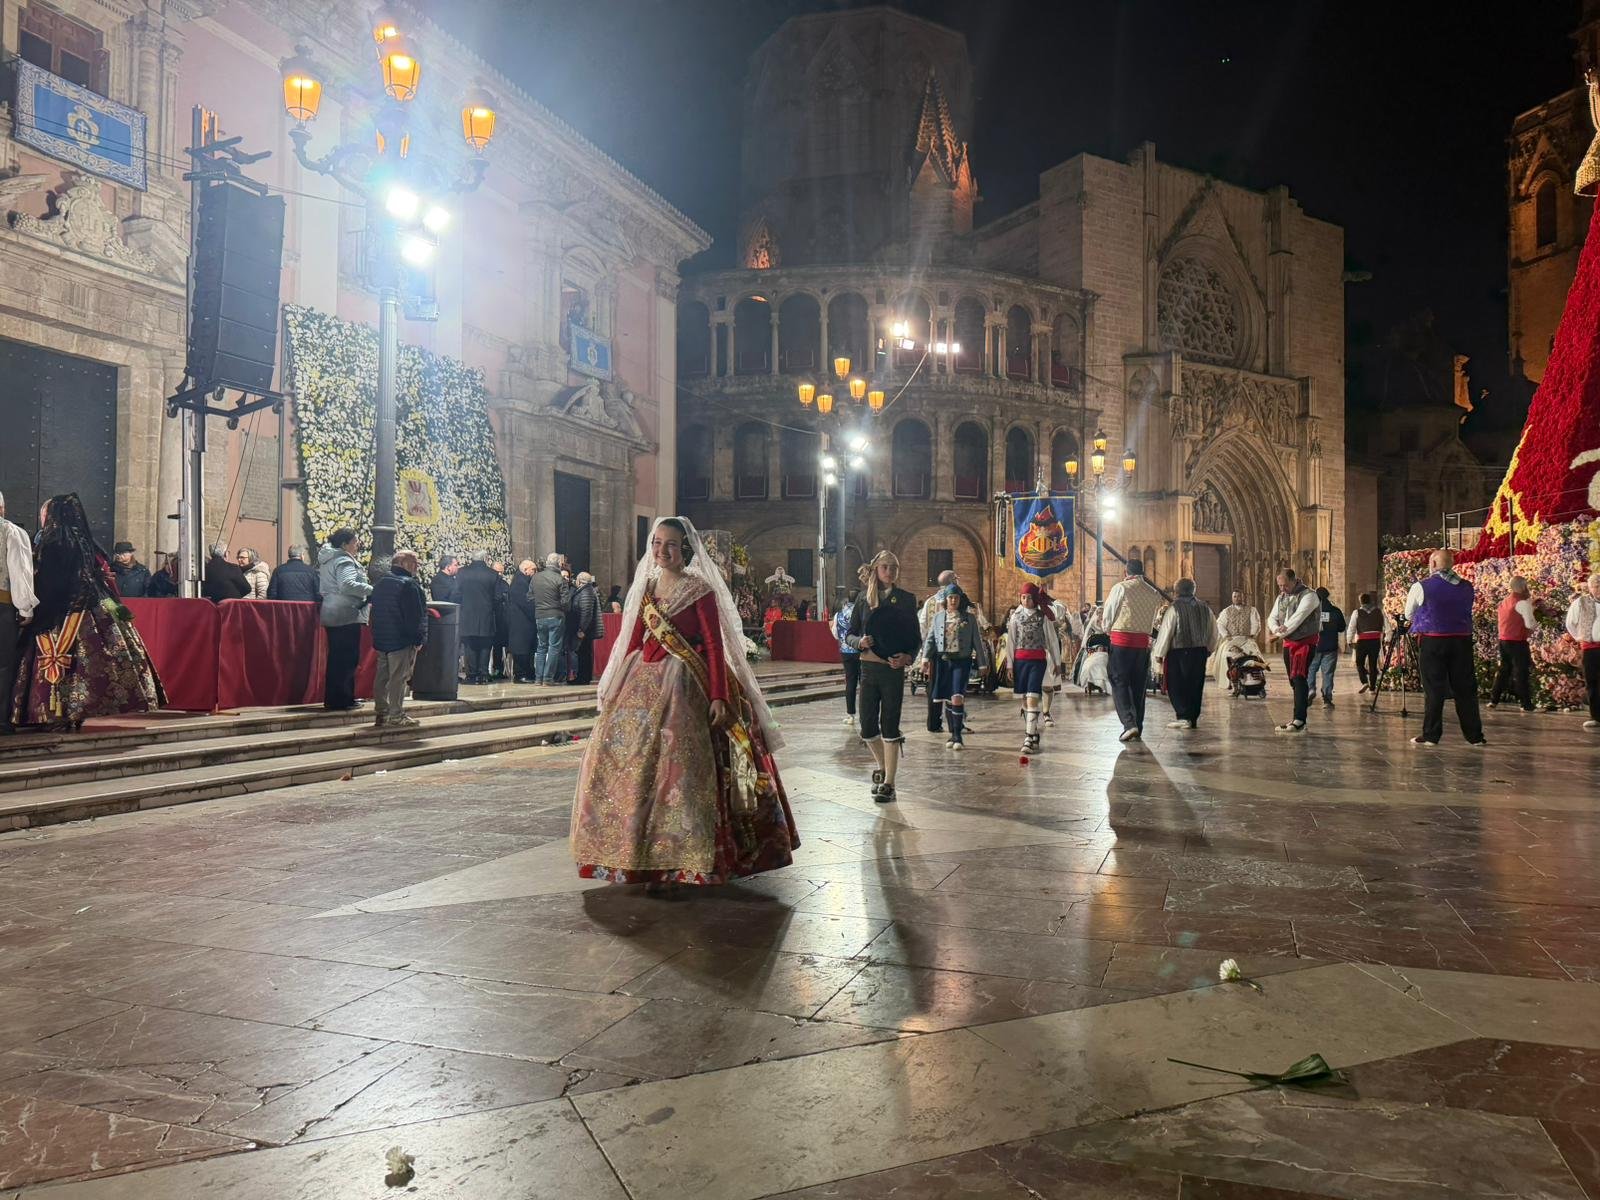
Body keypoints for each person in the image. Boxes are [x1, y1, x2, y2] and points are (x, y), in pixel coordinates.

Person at [571, 516, 798, 891]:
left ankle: (687, 856)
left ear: (685, 550)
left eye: (670, 544)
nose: (662, 550)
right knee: (630, 765)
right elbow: (633, 639)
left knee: (682, 769)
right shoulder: (644, 588)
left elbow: (713, 645)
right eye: (657, 543)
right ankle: (634, 852)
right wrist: (613, 683)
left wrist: (719, 695)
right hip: (640, 682)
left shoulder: (700, 590)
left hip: (686, 684)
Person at [10, 493, 165, 730]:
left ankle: (53, 713)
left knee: (56, 660)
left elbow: (51, 580)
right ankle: (77, 712)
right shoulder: (86, 541)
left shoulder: (53, 541)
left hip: (59, 609)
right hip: (94, 606)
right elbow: (96, 573)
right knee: (89, 665)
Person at [844, 552, 919, 802]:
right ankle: (883, 766)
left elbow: (914, 639)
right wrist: (859, 641)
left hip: (892, 670)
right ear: (876, 569)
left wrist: (907, 658)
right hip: (868, 668)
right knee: (867, 727)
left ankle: (889, 783)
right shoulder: (864, 600)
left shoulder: (906, 600)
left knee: (889, 723)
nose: (890, 571)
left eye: (894, 567)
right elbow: (849, 633)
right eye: (885, 567)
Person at [1403, 549, 1486, 747]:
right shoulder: (1467, 586)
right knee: (1465, 689)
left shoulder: (1421, 586)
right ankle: (1474, 736)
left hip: (1433, 641)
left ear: (1432, 564)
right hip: (1462, 641)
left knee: (1434, 689)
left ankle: (1431, 734)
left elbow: (1408, 614)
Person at [1100, 559, 1165, 742]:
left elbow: (1108, 615)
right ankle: (1138, 725)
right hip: (1142, 645)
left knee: (1119, 681)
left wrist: (1107, 629)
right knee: (1138, 685)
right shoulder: (1153, 592)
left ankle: (1129, 724)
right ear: (1143, 572)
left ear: (1125, 571)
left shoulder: (1121, 588)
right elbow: (1152, 621)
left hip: (1122, 642)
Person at [369, 549, 427, 728]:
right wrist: (418, 639)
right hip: (401, 639)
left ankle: (381, 712)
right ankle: (396, 714)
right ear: (403, 563)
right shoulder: (408, 584)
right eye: (414, 562)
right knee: (398, 677)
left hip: (382, 637)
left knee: (382, 677)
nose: (417, 566)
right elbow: (414, 616)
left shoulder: (380, 582)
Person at [1153, 579, 1218, 730]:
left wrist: (1160, 652)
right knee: (1196, 684)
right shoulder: (1205, 607)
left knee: (1177, 684)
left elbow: (1167, 631)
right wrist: (1210, 648)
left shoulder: (1174, 608)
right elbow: (1213, 630)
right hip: (1200, 651)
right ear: (1193, 590)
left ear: (1177, 591)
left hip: (1179, 652)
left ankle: (1183, 716)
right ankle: (1192, 717)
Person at [318, 528, 371, 711]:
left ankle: (336, 698)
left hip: (332, 611)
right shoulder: (343, 560)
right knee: (347, 659)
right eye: (355, 542)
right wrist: (371, 589)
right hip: (345, 612)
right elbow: (347, 584)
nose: (357, 546)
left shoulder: (328, 559)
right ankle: (342, 699)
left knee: (337, 658)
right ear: (344, 544)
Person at [1007, 583, 1063, 753]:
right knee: (1025, 699)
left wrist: (1057, 662)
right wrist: (1010, 665)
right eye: (1023, 597)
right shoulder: (1015, 617)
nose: (1026, 600)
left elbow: (1052, 640)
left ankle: (1028, 738)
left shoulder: (1042, 616)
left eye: (1029, 597)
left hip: (1037, 661)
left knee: (1033, 696)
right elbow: (1011, 641)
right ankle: (1033, 733)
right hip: (1020, 661)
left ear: (1035, 598)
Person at [0, 491, 39, 735]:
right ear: (2, 508)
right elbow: (20, 571)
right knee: (3, 664)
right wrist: (26, 607)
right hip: (2, 606)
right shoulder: (10, 531)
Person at [924, 584, 979, 750]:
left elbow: (977, 641)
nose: (953, 600)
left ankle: (957, 735)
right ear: (946, 599)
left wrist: (983, 663)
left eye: (956, 597)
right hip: (943, 661)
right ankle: (953, 733)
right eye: (950, 597)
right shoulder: (939, 617)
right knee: (948, 697)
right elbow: (931, 639)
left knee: (957, 696)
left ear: (960, 599)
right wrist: (925, 658)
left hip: (961, 661)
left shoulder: (969, 618)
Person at [1266, 567, 1321, 734]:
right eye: (1280, 586)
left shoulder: (1309, 595)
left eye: (1285, 585)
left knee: (1298, 677)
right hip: (1289, 644)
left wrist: (1279, 634)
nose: (1282, 589)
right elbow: (1272, 617)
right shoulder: (1282, 597)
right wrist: (1276, 630)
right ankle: (1301, 706)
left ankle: (1299, 720)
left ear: (1293, 580)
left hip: (1304, 643)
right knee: (1294, 681)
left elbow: (1298, 617)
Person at [914, 570, 959, 733]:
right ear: (952, 581)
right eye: (956, 579)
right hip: (954, 653)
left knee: (934, 687)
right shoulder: (957, 599)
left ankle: (933, 723)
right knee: (954, 687)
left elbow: (922, 627)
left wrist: (926, 651)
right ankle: (955, 723)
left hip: (934, 653)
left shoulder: (929, 602)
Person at [1489, 576, 1538, 712]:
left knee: (1504, 670)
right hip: (1518, 642)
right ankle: (1526, 703)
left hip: (1503, 640)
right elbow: (1530, 623)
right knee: (1521, 672)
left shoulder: (1504, 601)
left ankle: (1494, 699)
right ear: (1523, 587)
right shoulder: (1522, 603)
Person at [456, 552, 501, 685]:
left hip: (467, 614)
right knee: (485, 644)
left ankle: (471, 674)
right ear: (485, 559)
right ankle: (483, 674)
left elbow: (456, 593)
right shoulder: (492, 574)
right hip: (486, 614)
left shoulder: (462, 573)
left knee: (469, 644)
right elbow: (498, 597)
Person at [530, 553, 572, 684]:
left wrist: (539, 607)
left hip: (540, 616)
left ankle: (538, 678)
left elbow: (529, 597)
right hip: (555, 616)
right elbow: (566, 602)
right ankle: (548, 678)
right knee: (554, 648)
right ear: (559, 564)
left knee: (541, 647)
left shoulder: (535, 578)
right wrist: (561, 609)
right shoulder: (560, 579)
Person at [1210, 590, 1264, 694]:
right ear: (1232, 598)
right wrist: (1226, 635)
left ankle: (1256, 681)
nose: (1237, 598)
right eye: (1235, 596)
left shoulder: (1252, 610)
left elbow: (1256, 624)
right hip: (1231, 639)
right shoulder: (1226, 611)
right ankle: (1232, 682)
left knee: (1254, 654)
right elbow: (1220, 624)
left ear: (1243, 597)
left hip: (1246, 638)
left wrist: (1252, 635)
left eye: (1239, 596)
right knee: (1227, 654)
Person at [1565, 573, 1600, 731]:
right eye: (1596, 586)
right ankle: (1596, 716)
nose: (1599, 589)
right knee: (1592, 682)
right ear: (1590, 588)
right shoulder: (1581, 602)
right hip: (1591, 648)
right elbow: (1570, 623)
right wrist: (1580, 637)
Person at [1307, 587, 1347, 708]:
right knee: (1328, 673)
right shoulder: (1335, 611)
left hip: (1314, 645)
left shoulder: (1311, 611)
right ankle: (1327, 699)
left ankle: (1310, 689)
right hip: (1330, 646)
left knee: (1310, 669)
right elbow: (1341, 627)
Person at [506, 560, 539, 683]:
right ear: (525, 570)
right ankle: (520, 674)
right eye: (533, 570)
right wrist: (535, 612)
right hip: (520, 621)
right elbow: (526, 603)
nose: (535, 573)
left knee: (527, 648)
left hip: (524, 621)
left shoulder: (522, 581)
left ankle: (528, 672)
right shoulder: (520, 583)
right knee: (521, 649)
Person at [570, 571, 602, 685]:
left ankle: (583, 677)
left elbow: (586, 612)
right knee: (582, 652)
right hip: (584, 628)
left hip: (585, 629)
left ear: (580, 580)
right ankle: (582, 676)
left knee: (584, 653)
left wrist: (581, 629)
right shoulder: (586, 590)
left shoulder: (586, 592)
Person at [834, 588, 861, 727]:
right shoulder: (861, 612)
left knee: (850, 682)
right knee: (865, 684)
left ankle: (850, 715)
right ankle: (866, 714)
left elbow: (835, 634)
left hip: (846, 651)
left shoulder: (838, 614)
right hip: (862, 651)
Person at [1351, 592, 1385, 694]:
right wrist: (1388, 636)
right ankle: (1372, 689)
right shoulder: (1379, 612)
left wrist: (1349, 640)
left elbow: (1351, 627)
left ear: (1361, 601)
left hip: (1362, 640)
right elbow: (1386, 625)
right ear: (1370, 600)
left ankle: (1364, 681)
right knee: (1373, 664)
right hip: (1375, 640)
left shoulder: (1356, 612)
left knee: (1359, 662)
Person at [490, 560, 511, 681]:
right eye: (498, 572)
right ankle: (496, 668)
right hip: (492, 617)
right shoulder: (490, 584)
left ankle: (501, 668)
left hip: (503, 619)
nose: (500, 574)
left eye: (502, 572)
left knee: (501, 645)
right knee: (495, 645)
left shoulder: (504, 584)